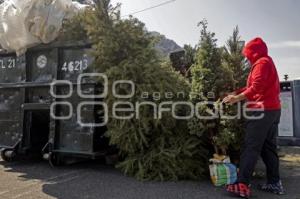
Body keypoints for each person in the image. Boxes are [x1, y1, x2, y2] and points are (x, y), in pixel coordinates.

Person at [223, 37, 284, 198]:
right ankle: (274, 183)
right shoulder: (266, 61)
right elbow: (251, 86)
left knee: (251, 146)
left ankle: (242, 184)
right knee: (267, 148)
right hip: (272, 110)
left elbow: (257, 86)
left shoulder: (262, 63)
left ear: (253, 52)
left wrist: (236, 99)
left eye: (247, 54)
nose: (246, 57)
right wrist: (235, 92)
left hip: (261, 111)